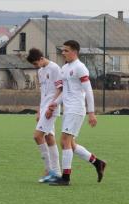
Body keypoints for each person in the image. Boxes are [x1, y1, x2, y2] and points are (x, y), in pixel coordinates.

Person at [46, 40, 107, 186]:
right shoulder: (65, 68)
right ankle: (97, 163)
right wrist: (55, 103)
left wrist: (91, 113)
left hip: (76, 109)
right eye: (63, 50)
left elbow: (88, 91)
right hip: (68, 109)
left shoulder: (80, 67)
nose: (63, 53)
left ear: (74, 52)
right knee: (71, 144)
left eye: (66, 50)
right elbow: (66, 91)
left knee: (64, 141)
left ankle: (65, 178)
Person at [26, 48, 62, 183]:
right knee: (49, 137)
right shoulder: (40, 71)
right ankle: (56, 172)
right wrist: (39, 110)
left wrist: (52, 107)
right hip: (44, 108)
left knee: (37, 136)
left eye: (36, 63)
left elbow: (60, 89)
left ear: (41, 58)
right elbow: (43, 93)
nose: (36, 66)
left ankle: (48, 170)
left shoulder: (55, 68)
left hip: (51, 108)